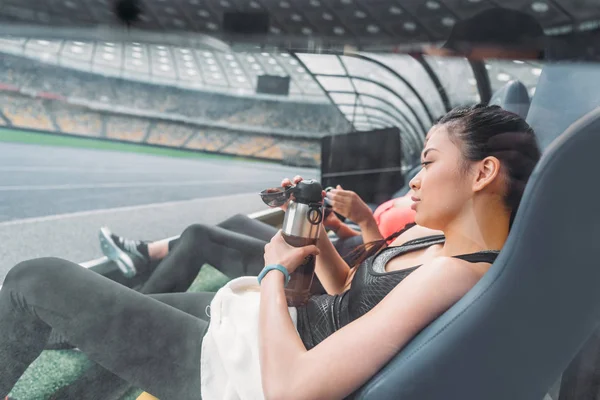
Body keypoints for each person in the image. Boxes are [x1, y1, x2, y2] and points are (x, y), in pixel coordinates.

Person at [0, 104, 541, 400]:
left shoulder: (455, 274)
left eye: (427, 162)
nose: (416, 181)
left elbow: (292, 389)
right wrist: (318, 236)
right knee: (99, 328)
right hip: (262, 329)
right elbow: (347, 295)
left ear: (484, 172)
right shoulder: (439, 245)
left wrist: (275, 271)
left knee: (33, 278)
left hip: (252, 371)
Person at [97, 188, 416, 294]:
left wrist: (364, 217)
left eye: (428, 163)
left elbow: (379, 269)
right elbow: (367, 240)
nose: (417, 179)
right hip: (335, 249)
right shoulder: (416, 198)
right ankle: (146, 253)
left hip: (322, 276)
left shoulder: (427, 223)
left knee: (198, 236)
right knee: (235, 221)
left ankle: (124, 311)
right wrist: (332, 221)